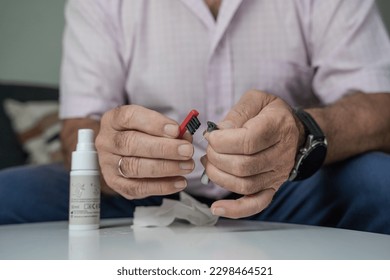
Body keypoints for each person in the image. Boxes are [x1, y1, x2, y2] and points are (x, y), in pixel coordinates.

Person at [1, 0, 390, 234]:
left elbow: (382, 109)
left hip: (292, 183)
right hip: (136, 195)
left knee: (381, 182)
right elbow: (77, 132)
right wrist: (113, 156)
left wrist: (303, 134)